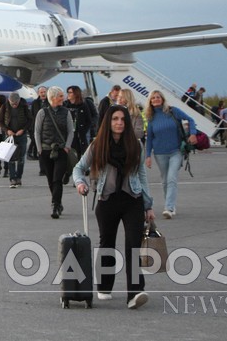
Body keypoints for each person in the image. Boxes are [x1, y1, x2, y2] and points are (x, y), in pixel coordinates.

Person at [72, 105, 155, 309]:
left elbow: (142, 176)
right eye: (115, 119)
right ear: (108, 122)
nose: (119, 123)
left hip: (131, 199)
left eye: (122, 119)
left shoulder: (135, 145)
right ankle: (105, 286)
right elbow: (78, 168)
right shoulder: (97, 145)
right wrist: (80, 183)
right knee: (107, 244)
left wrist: (148, 205)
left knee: (133, 245)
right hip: (106, 200)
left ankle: (134, 293)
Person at [145, 90, 197, 219]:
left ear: (162, 99)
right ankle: (171, 205)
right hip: (159, 153)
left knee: (171, 178)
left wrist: (193, 133)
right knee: (164, 181)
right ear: (150, 101)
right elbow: (150, 138)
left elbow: (190, 119)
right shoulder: (151, 118)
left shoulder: (173, 111)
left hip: (176, 151)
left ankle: (168, 207)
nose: (156, 99)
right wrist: (147, 156)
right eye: (153, 98)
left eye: (158, 97)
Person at [34, 86, 73, 219]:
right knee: (50, 179)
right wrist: (39, 148)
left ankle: (55, 205)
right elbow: (37, 131)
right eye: (61, 96)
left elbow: (70, 131)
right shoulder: (42, 113)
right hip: (45, 151)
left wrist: (67, 146)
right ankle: (58, 201)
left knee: (57, 179)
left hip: (61, 150)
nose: (64, 98)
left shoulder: (66, 112)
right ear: (53, 98)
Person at [0, 92, 32, 187]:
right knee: (11, 158)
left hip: (21, 135)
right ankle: (12, 179)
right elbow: (0, 121)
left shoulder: (24, 106)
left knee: (21, 158)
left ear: (18, 101)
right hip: (10, 135)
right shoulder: (4, 106)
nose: (14, 105)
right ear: (9, 101)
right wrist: (7, 130)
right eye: (12, 103)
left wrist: (23, 130)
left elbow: (30, 120)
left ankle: (19, 177)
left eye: (16, 103)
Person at [64, 85, 92, 159]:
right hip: (68, 135)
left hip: (79, 135)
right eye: (68, 92)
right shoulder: (65, 105)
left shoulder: (83, 105)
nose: (68, 94)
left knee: (79, 155)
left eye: (70, 92)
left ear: (76, 94)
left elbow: (89, 120)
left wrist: (83, 131)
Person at [28, 85, 48, 162]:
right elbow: (32, 114)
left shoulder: (49, 102)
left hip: (46, 124)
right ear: (38, 93)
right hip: (36, 124)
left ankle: (38, 154)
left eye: (44, 92)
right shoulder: (35, 103)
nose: (43, 94)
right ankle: (30, 153)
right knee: (34, 139)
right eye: (41, 92)